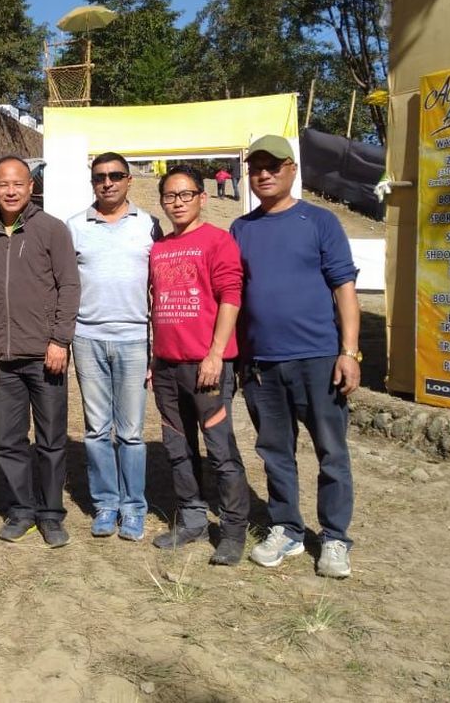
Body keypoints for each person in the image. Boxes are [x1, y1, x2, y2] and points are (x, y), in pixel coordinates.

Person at [230, 135, 360, 579]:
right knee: (275, 452)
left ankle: (335, 537)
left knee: (331, 452)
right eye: (256, 167)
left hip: (319, 358)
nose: (263, 174)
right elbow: (234, 296)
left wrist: (349, 351)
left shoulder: (319, 222)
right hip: (263, 364)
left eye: (273, 166)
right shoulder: (241, 228)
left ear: (291, 170)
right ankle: (286, 527)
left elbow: (344, 289)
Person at [0, 156, 80, 547]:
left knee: (51, 440)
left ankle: (51, 514)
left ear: (31, 187)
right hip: (5, 359)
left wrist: (60, 340)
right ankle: (22, 510)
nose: (11, 190)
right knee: (8, 440)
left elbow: (69, 286)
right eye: (3, 184)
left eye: (18, 183)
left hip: (45, 355)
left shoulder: (51, 230)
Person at [149, 164, 249, 565]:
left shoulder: (218, 241)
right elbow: (156, 307)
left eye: (185, 194)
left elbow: (231, 297)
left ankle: (232, 528)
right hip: (168, 368)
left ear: (202, 197)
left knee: (221, 449)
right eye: (170, 196)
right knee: (177, 447)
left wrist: (215, 353)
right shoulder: (159, 248)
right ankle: (191, 518)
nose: (177, 203)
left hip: (208, 366)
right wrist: (156, 359)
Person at [67, 153, 160, 542]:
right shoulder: (74, 226)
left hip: (134, 339)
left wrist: (157, 345)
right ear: (92, 182)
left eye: (115, 176)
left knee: (132, 432)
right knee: (96, 430)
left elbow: (160, 285)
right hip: (87, 339)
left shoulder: (149, 225)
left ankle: (134, 507)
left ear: (128, 181)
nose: (107, 183)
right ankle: (106, 503)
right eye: (99, 177)